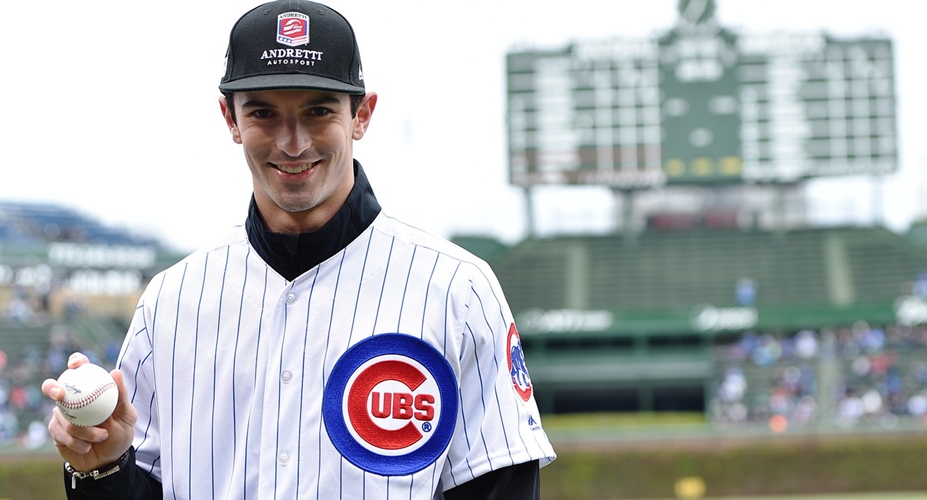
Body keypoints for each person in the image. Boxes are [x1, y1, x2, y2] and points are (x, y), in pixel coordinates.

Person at [41, 0, 556, 498]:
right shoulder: (171, 301)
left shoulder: (457, 290)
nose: (293, 142)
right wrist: (102, 470)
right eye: (264, 112)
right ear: (230, 118)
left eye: (318, 111)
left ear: (362, 115)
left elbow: (502, 488)